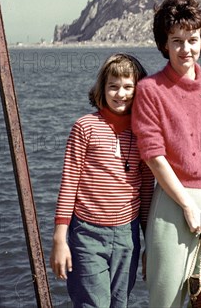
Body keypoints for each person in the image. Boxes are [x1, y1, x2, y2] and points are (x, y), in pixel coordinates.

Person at [131, 0, 201, 307]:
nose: (185, 49)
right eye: (176, 40)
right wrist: (189, 207)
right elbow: (153, 156)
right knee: (167, 299)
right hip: (172, 205)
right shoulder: (149, 90)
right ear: (164, 44)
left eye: (191, 39)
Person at [50, 53, 154, 307]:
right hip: (86, 234)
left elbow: (147, 193)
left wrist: (149, 245)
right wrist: (59, 239)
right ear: (102, 88)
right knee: (93, 303)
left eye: (129, 87)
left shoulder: (144, 133)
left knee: (120, 303)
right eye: (113, 86)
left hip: (127, 236)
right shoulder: (85, 127)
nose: (121, 94)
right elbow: (69, 182)